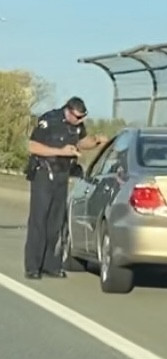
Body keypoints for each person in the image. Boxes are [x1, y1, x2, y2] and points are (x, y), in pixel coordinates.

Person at [24, 97, 107, 280]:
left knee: (56, 221)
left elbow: (80, 141)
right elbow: (32, 146)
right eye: (77, 117)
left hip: (62, 175)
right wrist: (61, 151)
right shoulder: (49, 121)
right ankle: (33, 266)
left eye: (82, 118)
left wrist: (95, 141)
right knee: (39, 221)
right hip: (44, 174)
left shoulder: (77, 125)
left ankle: (51, 265)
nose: (80, 121)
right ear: (68, 111)